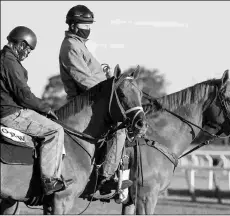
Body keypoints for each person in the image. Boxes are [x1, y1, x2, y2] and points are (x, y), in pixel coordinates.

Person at [59, 5, 132, 194]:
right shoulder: (71, 46)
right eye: (85, 24)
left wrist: (108, 78)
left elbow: (92, 75)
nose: (88, 28)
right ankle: (106, 179)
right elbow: (83, 79)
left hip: (94, 99)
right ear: (73, 25)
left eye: (90, 24)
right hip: (83, 103)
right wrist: (109, 89)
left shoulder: (79, 45)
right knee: (120, 130)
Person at [0, 26, 73, 195]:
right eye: (28, 50)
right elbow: (23, 95)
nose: (28, 54)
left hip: (7, 110)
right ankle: (49, 180)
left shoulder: (4, 58)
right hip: (12, 114)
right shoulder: (9, 62)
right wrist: (45, 108)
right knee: (55, 130)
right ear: (21, 44)